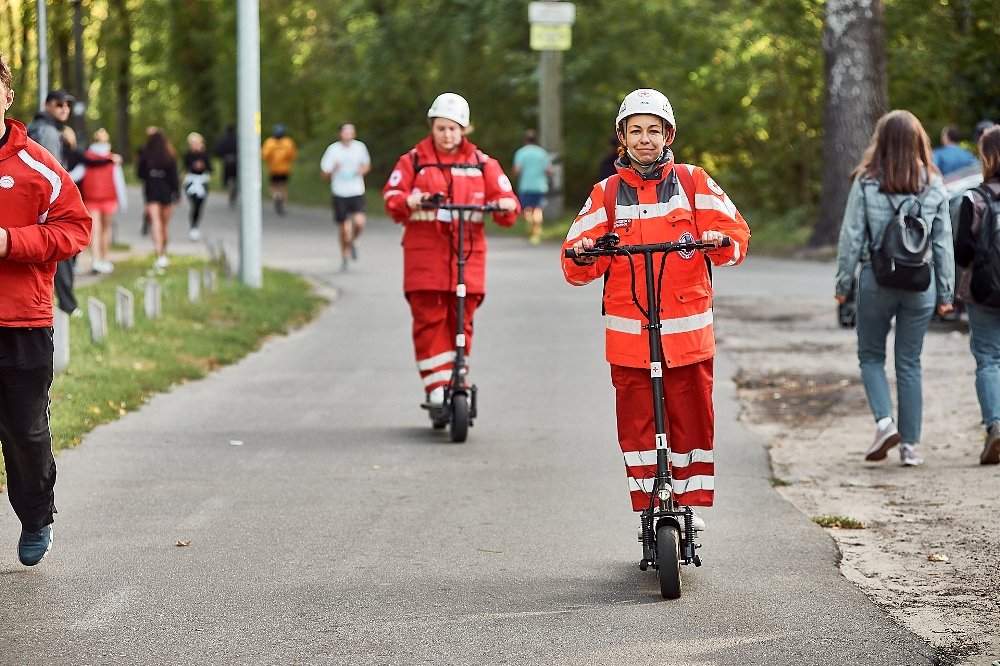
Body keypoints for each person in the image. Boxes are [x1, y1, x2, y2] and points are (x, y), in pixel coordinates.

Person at [561, 88, 751, 530]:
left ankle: (685, 499)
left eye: (653, 130)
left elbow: (735, 234)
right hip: (630, 334)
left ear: (669, 135)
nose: (645, 138)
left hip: (687, 333)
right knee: (637, 421)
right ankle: (650, 499)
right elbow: (574, 260)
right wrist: (586, 253)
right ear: (622, 139)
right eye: (636, 131)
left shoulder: (693, 182)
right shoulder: (606, 194)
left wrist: (720, 242)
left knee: (691, 415)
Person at [0, 52, 92, 566]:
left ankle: (36, 516)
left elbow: (75, 229)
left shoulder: (37, 165)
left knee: (24, 432)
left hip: (20, 322)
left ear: (7, 96)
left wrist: (9, 243)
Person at [382, 92, 519, 407]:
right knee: (429, 318)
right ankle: (437, 385)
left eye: (453, 129)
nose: (447, 135)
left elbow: (509, 206)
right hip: (425, 256)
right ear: (432, 126)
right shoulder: (413, 160)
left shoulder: (482, 164)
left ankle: (456, 375)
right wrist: (408, 200)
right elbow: (392, 197)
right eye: (441, 128)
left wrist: (504, 204)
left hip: (467, 256)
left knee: (462, 319)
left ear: (464, 130)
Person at [835, 110, 954, 467]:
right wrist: (946, 294)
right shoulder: (934, 183)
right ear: (919, 141)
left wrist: (842, 285)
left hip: (877, 279)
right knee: (909, 361)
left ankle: (885, 423)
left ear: (881, 141)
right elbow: (943, 242)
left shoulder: (867, 181)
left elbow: (852, 238)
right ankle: (910, 447)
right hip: (921, 284)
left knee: (870, 356)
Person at [954, 126, 1000, 465]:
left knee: (987, 357)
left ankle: (995, 425)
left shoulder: (974, 198)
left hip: (982, 291)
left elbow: (962, 250)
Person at [26, 89, 78, 314]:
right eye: (59, 104)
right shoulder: (46, 132)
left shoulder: (39, 127)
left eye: (68, 105)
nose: (64, 108)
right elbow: (49, 176)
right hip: (47, 206)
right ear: (47, 105)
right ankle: (68, 306)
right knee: (62, 250)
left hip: (35, 204)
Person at [320, 122, 371, 271]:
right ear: (340, 134)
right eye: (345, 131)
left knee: (359, 222)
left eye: (351, 131)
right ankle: (344, 256)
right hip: (339, 192)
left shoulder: (359, 147)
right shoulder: (333, 150)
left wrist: (363, 171)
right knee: (343, 228)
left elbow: (367, 165)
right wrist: (332, 170)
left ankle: (354, 241)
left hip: (356, 191)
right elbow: (324, 173)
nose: (348, 134)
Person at [79, 127, 127, 274]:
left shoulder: (87, 158)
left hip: (92, 198)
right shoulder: (113, 158)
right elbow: (118, 181)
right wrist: (123, 201)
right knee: (106, 229)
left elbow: (77, 175)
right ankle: (104, 259)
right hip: (109, 198)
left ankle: (96, 260)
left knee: (95, 230)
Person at [137, 129, 179, 269]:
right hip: (166, 193)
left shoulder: (146, 156)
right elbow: (174, 178)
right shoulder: (170, 156)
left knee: (156, 222)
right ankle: (163, 252)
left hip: (152, 192)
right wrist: (176, 193)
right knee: (164, 224)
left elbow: (140, 174)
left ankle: (159, 253)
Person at [512, 129, 552, 245]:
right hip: (540, 186)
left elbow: (517, 170)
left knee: (526, 210)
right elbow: (549, 170)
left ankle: (530, 226)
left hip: (526, 186)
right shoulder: (542, 153)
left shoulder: (521, 153)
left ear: (525, 140)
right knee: (538, 210)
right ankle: (536, 235)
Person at [182, 131, 212, 242]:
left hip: (201, 181)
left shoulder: (205, 154)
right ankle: (193, 227)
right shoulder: (188, 155)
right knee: (194, 204)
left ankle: (195, 226)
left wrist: (203, 166)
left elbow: (210, 168)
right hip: (191, 181)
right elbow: (186, 166)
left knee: (199, 205)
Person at [261, 123, 297, 215]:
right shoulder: (288, 142)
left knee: (273, 186)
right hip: (285, 169)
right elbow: (292, 155)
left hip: (273, 169)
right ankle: (283, 203)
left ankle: (276, 196)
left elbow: (264, 155)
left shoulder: (269, 142)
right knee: (283, 187)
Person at [214, 124, 238, 207]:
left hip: (227, 161)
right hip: (236, 161)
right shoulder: (237, 139)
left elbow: (217, 149)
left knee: (228, 178)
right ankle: (233, 189)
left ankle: (230, 188)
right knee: (235, 178)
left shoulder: (223, 139)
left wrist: (222, 156)